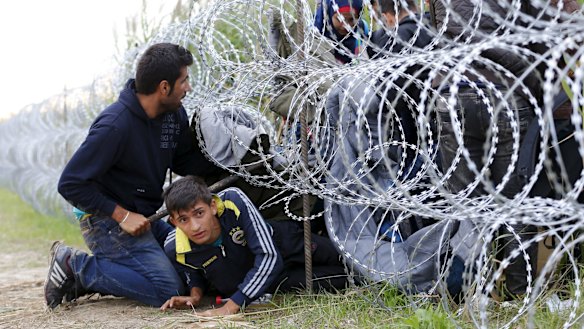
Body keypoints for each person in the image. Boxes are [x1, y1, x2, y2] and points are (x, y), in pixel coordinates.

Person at [45, 43, 221, 309]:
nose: (188, 88)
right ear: (164, 87)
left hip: (146, 217)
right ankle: (76, 267)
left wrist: (233, 164)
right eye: (184, 80)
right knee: (168, 290)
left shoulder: (173, 116)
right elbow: (70, 184)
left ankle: (111, 270)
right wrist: (122, 216)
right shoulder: (115, 125)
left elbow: (183, 160)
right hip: (105, 221)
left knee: (192, 270)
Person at [429, 0, 580, 299]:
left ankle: (473, 289)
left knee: (466, 205)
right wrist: (537, 81)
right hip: (508, 94)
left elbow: (441, 30)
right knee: (515, 203)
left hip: (454, 91)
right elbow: (556, 27)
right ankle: (519, 291)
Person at [159, 176, 350, 316]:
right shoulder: (174, 247)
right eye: (183, 219)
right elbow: (194, 271)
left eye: (199, 213)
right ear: (174, 222)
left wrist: (232, 306)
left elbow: (269, 256)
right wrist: (195, 296)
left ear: (212, 206)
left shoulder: (232, 201)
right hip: (275, 280)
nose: (194, 226)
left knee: (350, 257)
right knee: (347, 278)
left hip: (287, 245)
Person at [314, 0, 370, 64]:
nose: (345, 26)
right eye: (340, 19)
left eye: (352, 19)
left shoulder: (361, 30)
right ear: (328, 13)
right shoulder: (314, 33)